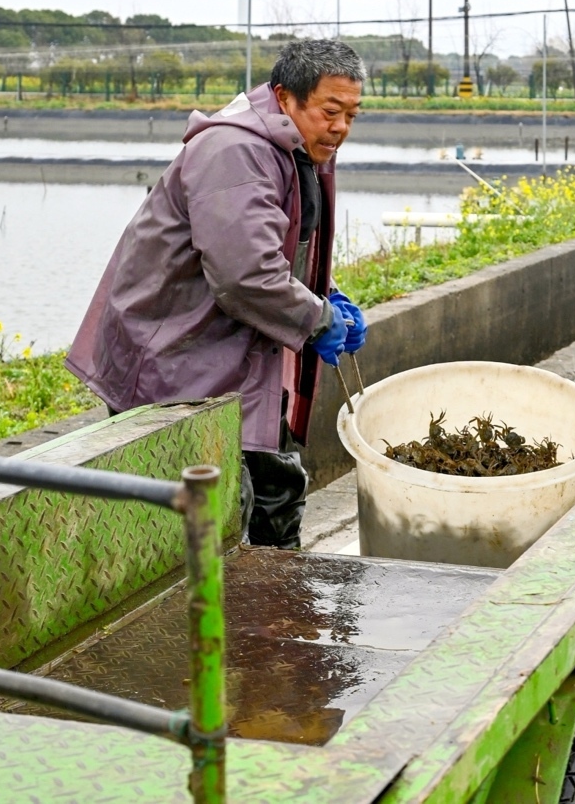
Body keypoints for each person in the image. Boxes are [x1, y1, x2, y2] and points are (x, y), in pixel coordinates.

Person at [66, 39, 368, 550]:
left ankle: (268, 618)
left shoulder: (297, 149)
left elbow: (283, 248)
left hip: (237, 357)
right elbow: (245, 274)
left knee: (278, 492)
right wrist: (316, 320)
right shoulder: (235, 153)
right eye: (330, 111)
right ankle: (213, 624)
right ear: (284, 97)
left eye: (352, 115)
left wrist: (327, 297)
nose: (341, 127)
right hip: (176, 361)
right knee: (216, 520)